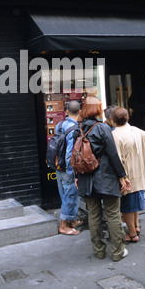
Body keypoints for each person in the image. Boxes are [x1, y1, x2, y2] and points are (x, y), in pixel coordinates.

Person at [73, 96, 131, 262]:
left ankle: (99, 251)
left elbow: (76, 155)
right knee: (113, 214)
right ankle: (118, 251)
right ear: (98, 110)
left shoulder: (79, 129)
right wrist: (122, 177)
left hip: (86, 177)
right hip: (105, 177)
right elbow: (113, 155)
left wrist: (77, 176)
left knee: (94, 215)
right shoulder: (103, 128)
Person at [111, 107, 145, 243]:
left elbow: (117, 158)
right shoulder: (135, 130)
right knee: (135, 202)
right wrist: (144, 151)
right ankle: (136, 226)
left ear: (113, 120)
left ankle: (132, 234)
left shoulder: (115, 134)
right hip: (140, 172)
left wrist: (121, 177)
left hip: (128, 175)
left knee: (127, 207)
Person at [55, 100, 83, 236]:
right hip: (67, 168)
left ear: (67, 111)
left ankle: (72, 220)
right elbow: (69, 153)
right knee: (70, 195)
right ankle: (63, 226)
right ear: (80, 112)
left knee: (64, 195)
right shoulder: (74, 129)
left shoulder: (59, 125)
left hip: (58, 166)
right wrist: (71, 171)